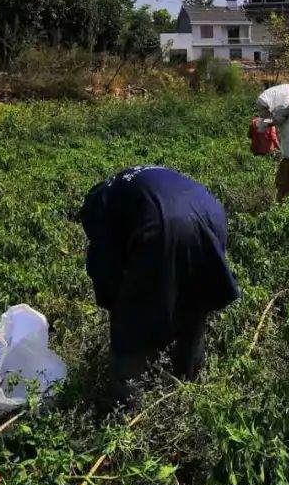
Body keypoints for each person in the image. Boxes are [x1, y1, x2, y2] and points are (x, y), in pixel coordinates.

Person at [77, 166, 240, 407]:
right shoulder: (127, 185)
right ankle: (188, 383)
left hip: (164, 223)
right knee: (195, 299)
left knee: (130, 321)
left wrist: (117, 306)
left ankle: (126, 403)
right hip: (211, 213)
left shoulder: (100, 209)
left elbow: (104, 268)